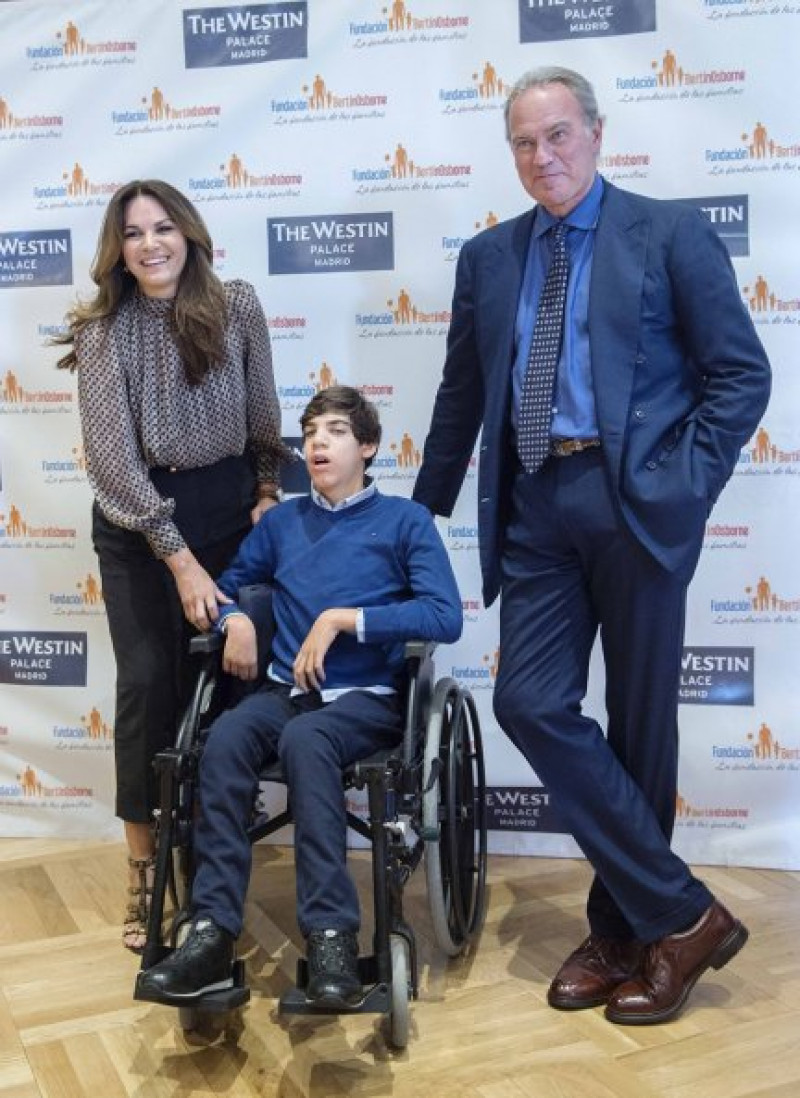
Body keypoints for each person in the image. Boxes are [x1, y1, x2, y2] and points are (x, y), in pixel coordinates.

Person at [412, 67, 771, 1025]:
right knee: (531, 702)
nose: (544, 157)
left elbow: (741, 375)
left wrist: (683, 482)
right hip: (534, 506)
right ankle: (684, 916)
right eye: (525, 143)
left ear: (598, 134)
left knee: (642, 729)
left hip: (636, 505)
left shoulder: (669, 234)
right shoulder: (489, 259)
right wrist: (414, 519)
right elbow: (458, 401)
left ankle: (625, 934)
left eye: (560, 135)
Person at [137, 386, 462, 1008]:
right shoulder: (284, 523)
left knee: (306, 738)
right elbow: (226, 589)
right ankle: (209, 932)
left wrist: (344, 619)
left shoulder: (405, 521)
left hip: (364, 698)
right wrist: (235, 621)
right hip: (287, 691)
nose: (317, 442)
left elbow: (444, 616)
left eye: (336, 431)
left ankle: (332, 934)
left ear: (368, 447)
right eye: (311, 431)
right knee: (226, 737)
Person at [55, 180, 286, 953]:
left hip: (225, 506)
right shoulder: (102, 331)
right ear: (116, 249)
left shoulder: (239, 305)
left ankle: (211, 861)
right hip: (136, 521)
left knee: (224, 682)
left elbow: (263, 417)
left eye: (162, 228)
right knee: (149, 687)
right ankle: (143, 868)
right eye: (132, 233)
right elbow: (116, 469)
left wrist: (264, 490)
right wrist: (180, 560)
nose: (149, 244)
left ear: (189, 233)